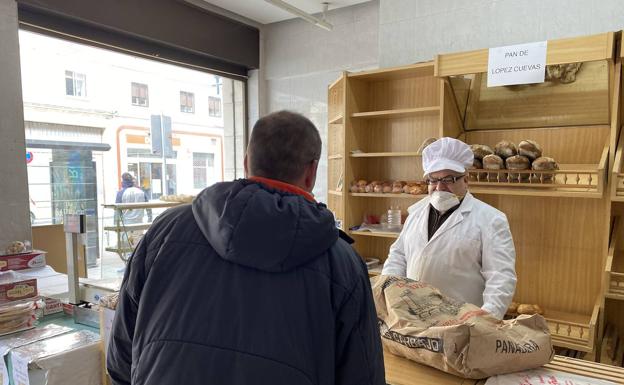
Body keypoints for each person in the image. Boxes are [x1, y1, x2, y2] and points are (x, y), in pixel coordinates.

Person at [107, 110, 385, 385]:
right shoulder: (342, 263)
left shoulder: (164, 231)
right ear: (311, 172)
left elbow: (121, 360)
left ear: (246, 162)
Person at [381, 137, 516, 319]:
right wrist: (388, 289)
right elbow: (398, 256)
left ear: (466, 180)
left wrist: (489, 313)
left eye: (448, 179)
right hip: (412, 316)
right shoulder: (416, 213)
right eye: (432, 180)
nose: (439, 187)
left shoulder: (491, 219)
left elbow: (500, 275)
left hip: (461, 321)